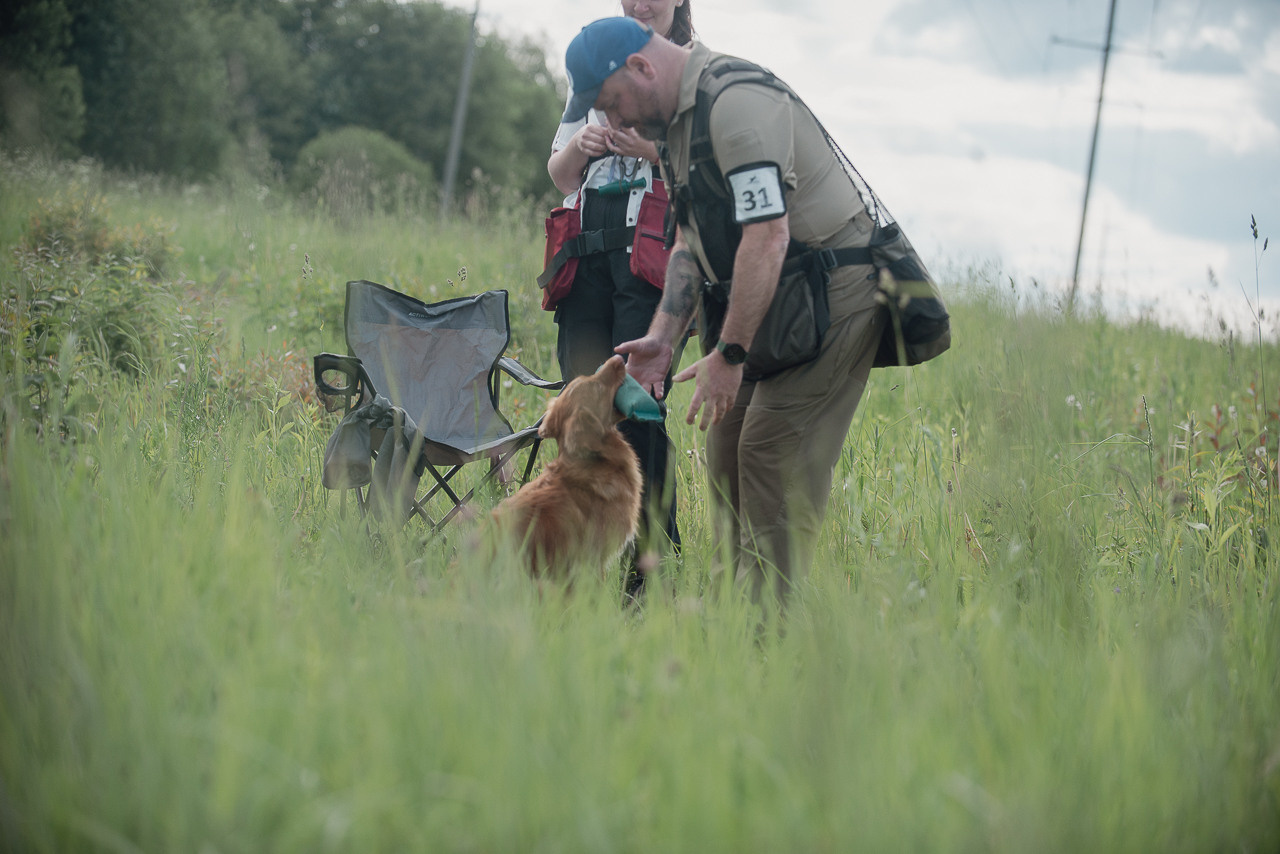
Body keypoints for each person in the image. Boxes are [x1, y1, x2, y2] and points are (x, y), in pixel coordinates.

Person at [561, 17, 944, 606]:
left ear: (641, 68)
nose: (616, 122)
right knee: (726, 455)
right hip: (766, 298)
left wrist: (730, 354)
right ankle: (736, 625)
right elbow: (689, 239)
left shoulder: (737, 103)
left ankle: (770, 634)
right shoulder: (675, 128)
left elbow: (767, 236)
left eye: (614, 103)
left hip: (830, 298)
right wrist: (663, 338)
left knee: (768, 455)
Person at [546, 2, 695, 599]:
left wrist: (648, 150)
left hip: (651, 262)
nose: (641, 3)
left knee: (637, 410)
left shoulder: (689, 70)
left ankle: (654, 566)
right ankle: (582, 558)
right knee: (582, 407)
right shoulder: (590, 70)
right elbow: (561, 175)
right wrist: (583, 145)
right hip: (587, 261)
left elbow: (703, 168)